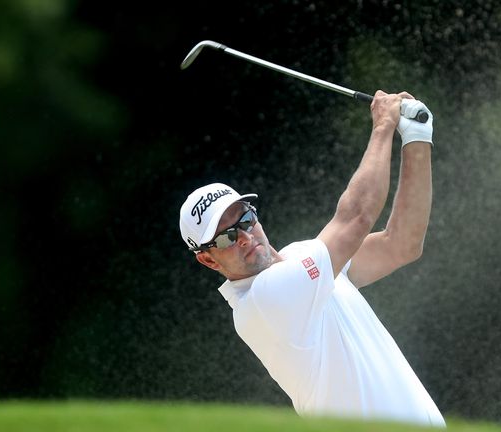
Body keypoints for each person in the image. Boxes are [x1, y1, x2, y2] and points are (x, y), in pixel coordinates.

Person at [179, 90, 445, 428]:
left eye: (245, 219)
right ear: (208, 260)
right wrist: (383, 126)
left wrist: (417, 136)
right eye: (227, 237)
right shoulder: (263, 299)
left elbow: (402, 244)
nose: (244, 236)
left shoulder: (303, 258)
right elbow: (357, 217)